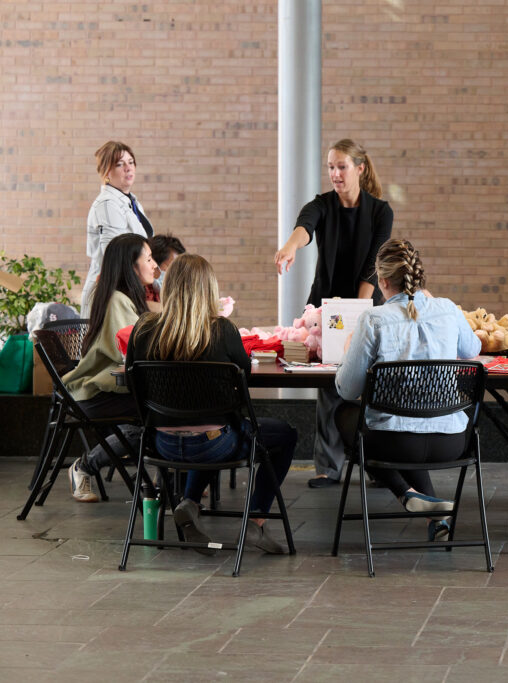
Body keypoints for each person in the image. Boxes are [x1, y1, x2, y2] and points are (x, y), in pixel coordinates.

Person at [126, 254, 296, 555]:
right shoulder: (222, 330)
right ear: (208, 290)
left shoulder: (143, 329)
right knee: (284, 434)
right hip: (214, 444)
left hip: (160, 443)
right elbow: (244, 374)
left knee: (205, 424)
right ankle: (255, 522)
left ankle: (189, 504)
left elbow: (133, 383)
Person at [334, 238, 481, 541]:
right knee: (412, 421)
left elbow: (348, 390)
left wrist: (349, 351)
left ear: (383, 280)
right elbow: (473, 348)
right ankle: (434, 515)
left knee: (344, 415)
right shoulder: (448, 309)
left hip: (396, 443)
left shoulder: (374, 319)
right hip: (452, 441)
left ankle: (405, 493)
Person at [274, 139, 394, 489]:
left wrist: (357, 311)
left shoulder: (380, 211)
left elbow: (375, 264)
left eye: (342, 166)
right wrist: (288, 247)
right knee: (330, 385)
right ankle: (329, 467)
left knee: (372, 384)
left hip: (366, 305)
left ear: (359, 168)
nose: (335, 174)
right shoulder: (322, 205)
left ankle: (379, 464)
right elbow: (305, 227)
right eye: (330, 167)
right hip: (326, 308)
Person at [65, 234, 158, 502]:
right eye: (149, 259)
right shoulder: (117, 300)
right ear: (130, 265)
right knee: (161, 416)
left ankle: (168, 482)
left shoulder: (123, 298)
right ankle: (84, 466)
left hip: (111, 390)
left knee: (163, 415)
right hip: (92, 394)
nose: (155, 266)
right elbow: (133, 352)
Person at [82, 141, 154, 317]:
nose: (128, 168)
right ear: (107, 172)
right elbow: (115, 256)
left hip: (129, 289)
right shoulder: (107, 204)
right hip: (111, 294)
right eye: (120, 164)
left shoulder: (132, 202)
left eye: (131, 162)